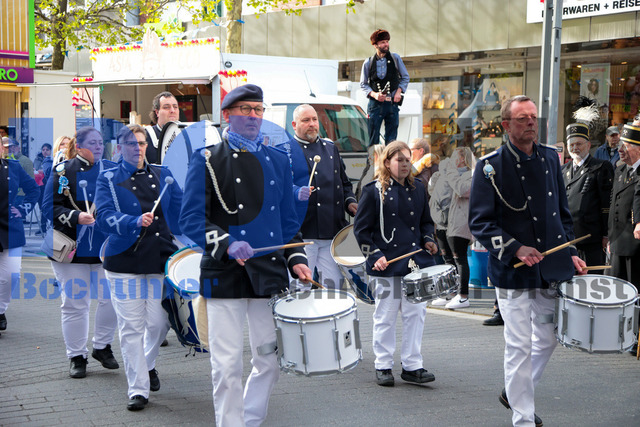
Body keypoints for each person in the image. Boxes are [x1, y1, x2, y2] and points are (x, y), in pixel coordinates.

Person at [179, 84, 312, 426]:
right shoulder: (207, 159)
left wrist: (296, 257)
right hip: (224, 273)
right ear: (227, 115)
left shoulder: (277, 160)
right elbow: (190, 218)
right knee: (226, 366)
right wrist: (226, 243)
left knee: (269, 361)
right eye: (246, 109)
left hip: (268, 272)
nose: (254, 116)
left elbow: (287, 221)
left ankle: (249, 420)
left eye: (258, 110)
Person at [468, 95, 586, 427]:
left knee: (548, 338)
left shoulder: (550, 157)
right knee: (519, 345)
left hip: (550, 267)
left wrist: (571, 253)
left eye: (533, 116)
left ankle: (514, 391)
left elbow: (562, 214)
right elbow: (480, 222)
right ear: (506, 125)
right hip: (513, 271)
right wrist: (516, 249)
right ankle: (523, 418)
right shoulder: (490, 165)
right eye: (522, 118)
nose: (531, 122)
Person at [94, 124, 183, 411]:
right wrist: (132, 221)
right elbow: (103, 217)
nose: (138, 148)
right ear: (120, 148)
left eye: (142, 143)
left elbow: (182, 211)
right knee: (131, 327)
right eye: (131, 144)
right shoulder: (108, 178)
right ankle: (138, 389)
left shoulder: (163, 174)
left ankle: (146, 364)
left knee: (159, 322)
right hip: (124, 261)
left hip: (159, 258)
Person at [354, 140, 439, 387]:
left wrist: (429, 239)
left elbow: (426, 222)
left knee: (416, 314)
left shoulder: (418, 188)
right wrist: (375, 256)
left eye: (407, 160)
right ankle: (383, 364)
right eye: (399, 160)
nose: (404, 164)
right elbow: (361, 231)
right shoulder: (372, 191)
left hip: (415, 262)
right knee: (386, 316)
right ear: (387, 162)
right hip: (386, 263)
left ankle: (412, 366)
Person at [41, 127, 119, 378]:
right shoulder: (62, 171)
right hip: (71, 246)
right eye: (93, 143)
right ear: (79, 146)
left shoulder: (113, 170)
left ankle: (102, 346)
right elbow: (49, 208)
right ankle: (76, 356)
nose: (99, 146)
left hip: (106, 247)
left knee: (111, 300)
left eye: (101, 142)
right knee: (75, 304)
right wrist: (76, 216)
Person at [277, 103, 357, 289]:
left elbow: (344, 184)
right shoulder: (283, 150)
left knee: (333, 287)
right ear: (294, 124)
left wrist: (350, 202)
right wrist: (296, 191)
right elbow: (279, 189)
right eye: (306, 120)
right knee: (300, 288)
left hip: (332, 231)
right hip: (302, 234)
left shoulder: (330, 148)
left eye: (314, 119)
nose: (312, 124)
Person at [562, 123, 613, 273]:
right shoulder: (563, 170)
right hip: (568, 240)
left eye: (579, 144)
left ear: (588, 145)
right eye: (571, 145)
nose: (575, 148)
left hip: (590, 239)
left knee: (590, 280)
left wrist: (606, 234)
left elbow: (606, 204)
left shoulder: (600, 167)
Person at [0, 136, 39, 334]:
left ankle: (0, 309)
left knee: (11, 275)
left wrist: (22, 209)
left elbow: (33, 189)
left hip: (10, 227)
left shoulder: (13, 167)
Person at [431, 147, 475, 309]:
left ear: (463, 159)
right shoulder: (448, 174)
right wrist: (439, 175)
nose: (451, 160)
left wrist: (450, 173)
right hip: (442, 222)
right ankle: (450, 292)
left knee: (460, 259)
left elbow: (462, 190)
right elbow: (433, 190)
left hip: (458, 223)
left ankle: (463, 296)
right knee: (447, 260)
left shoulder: (471, 175)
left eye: (455, 157)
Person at [360, 29, 409, 147]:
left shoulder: (395, 58)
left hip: (392, 103)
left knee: (392, 141)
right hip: (375, 105)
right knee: (373, 140)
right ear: (375, 45)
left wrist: (399, 92)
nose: (386, 44)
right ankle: (373, 160)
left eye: (387, 41)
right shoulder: (368, 62)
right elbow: (363, 84)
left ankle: (390, 159)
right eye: (383, 42)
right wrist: (374, 94)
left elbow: (405, 77)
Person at [608, 122, 640, 289]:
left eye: (626, 146)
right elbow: (613, 205)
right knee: (615, 291)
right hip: (616, 243)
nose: (620, 149)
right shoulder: (620, 171)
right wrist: (610, 237)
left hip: (635, 246)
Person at [145, 91, 180, 164]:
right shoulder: (146, 135)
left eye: (175, 107)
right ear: (157, 112)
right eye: (166, 107)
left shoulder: (187, 134)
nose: (172, 111)